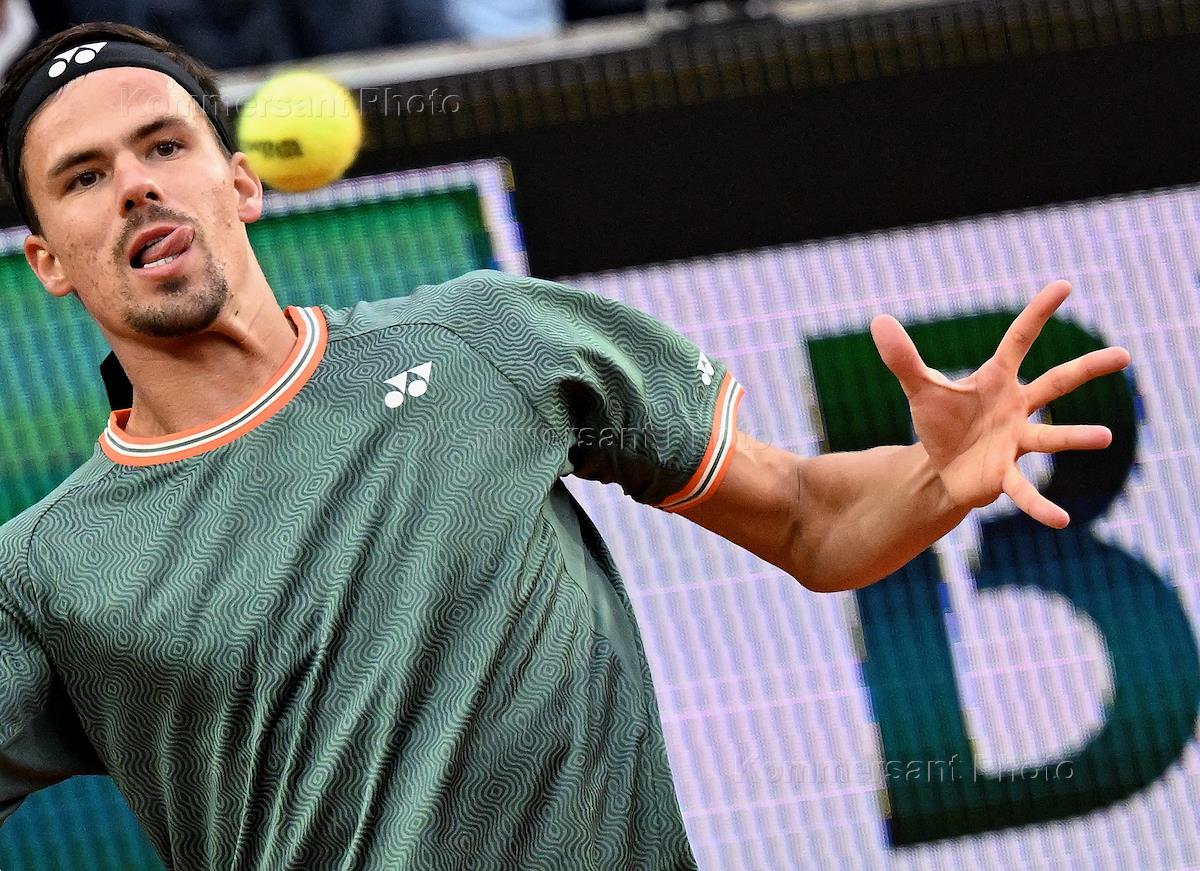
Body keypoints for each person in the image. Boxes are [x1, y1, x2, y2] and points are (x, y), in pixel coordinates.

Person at [0, 20, 1129, 871]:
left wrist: (939, 477)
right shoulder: (44, 572)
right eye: (84, 177)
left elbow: (809, 517)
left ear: (241, 181)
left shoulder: (488, 340)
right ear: (46, 257)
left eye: (163, 145)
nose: (136, 185)